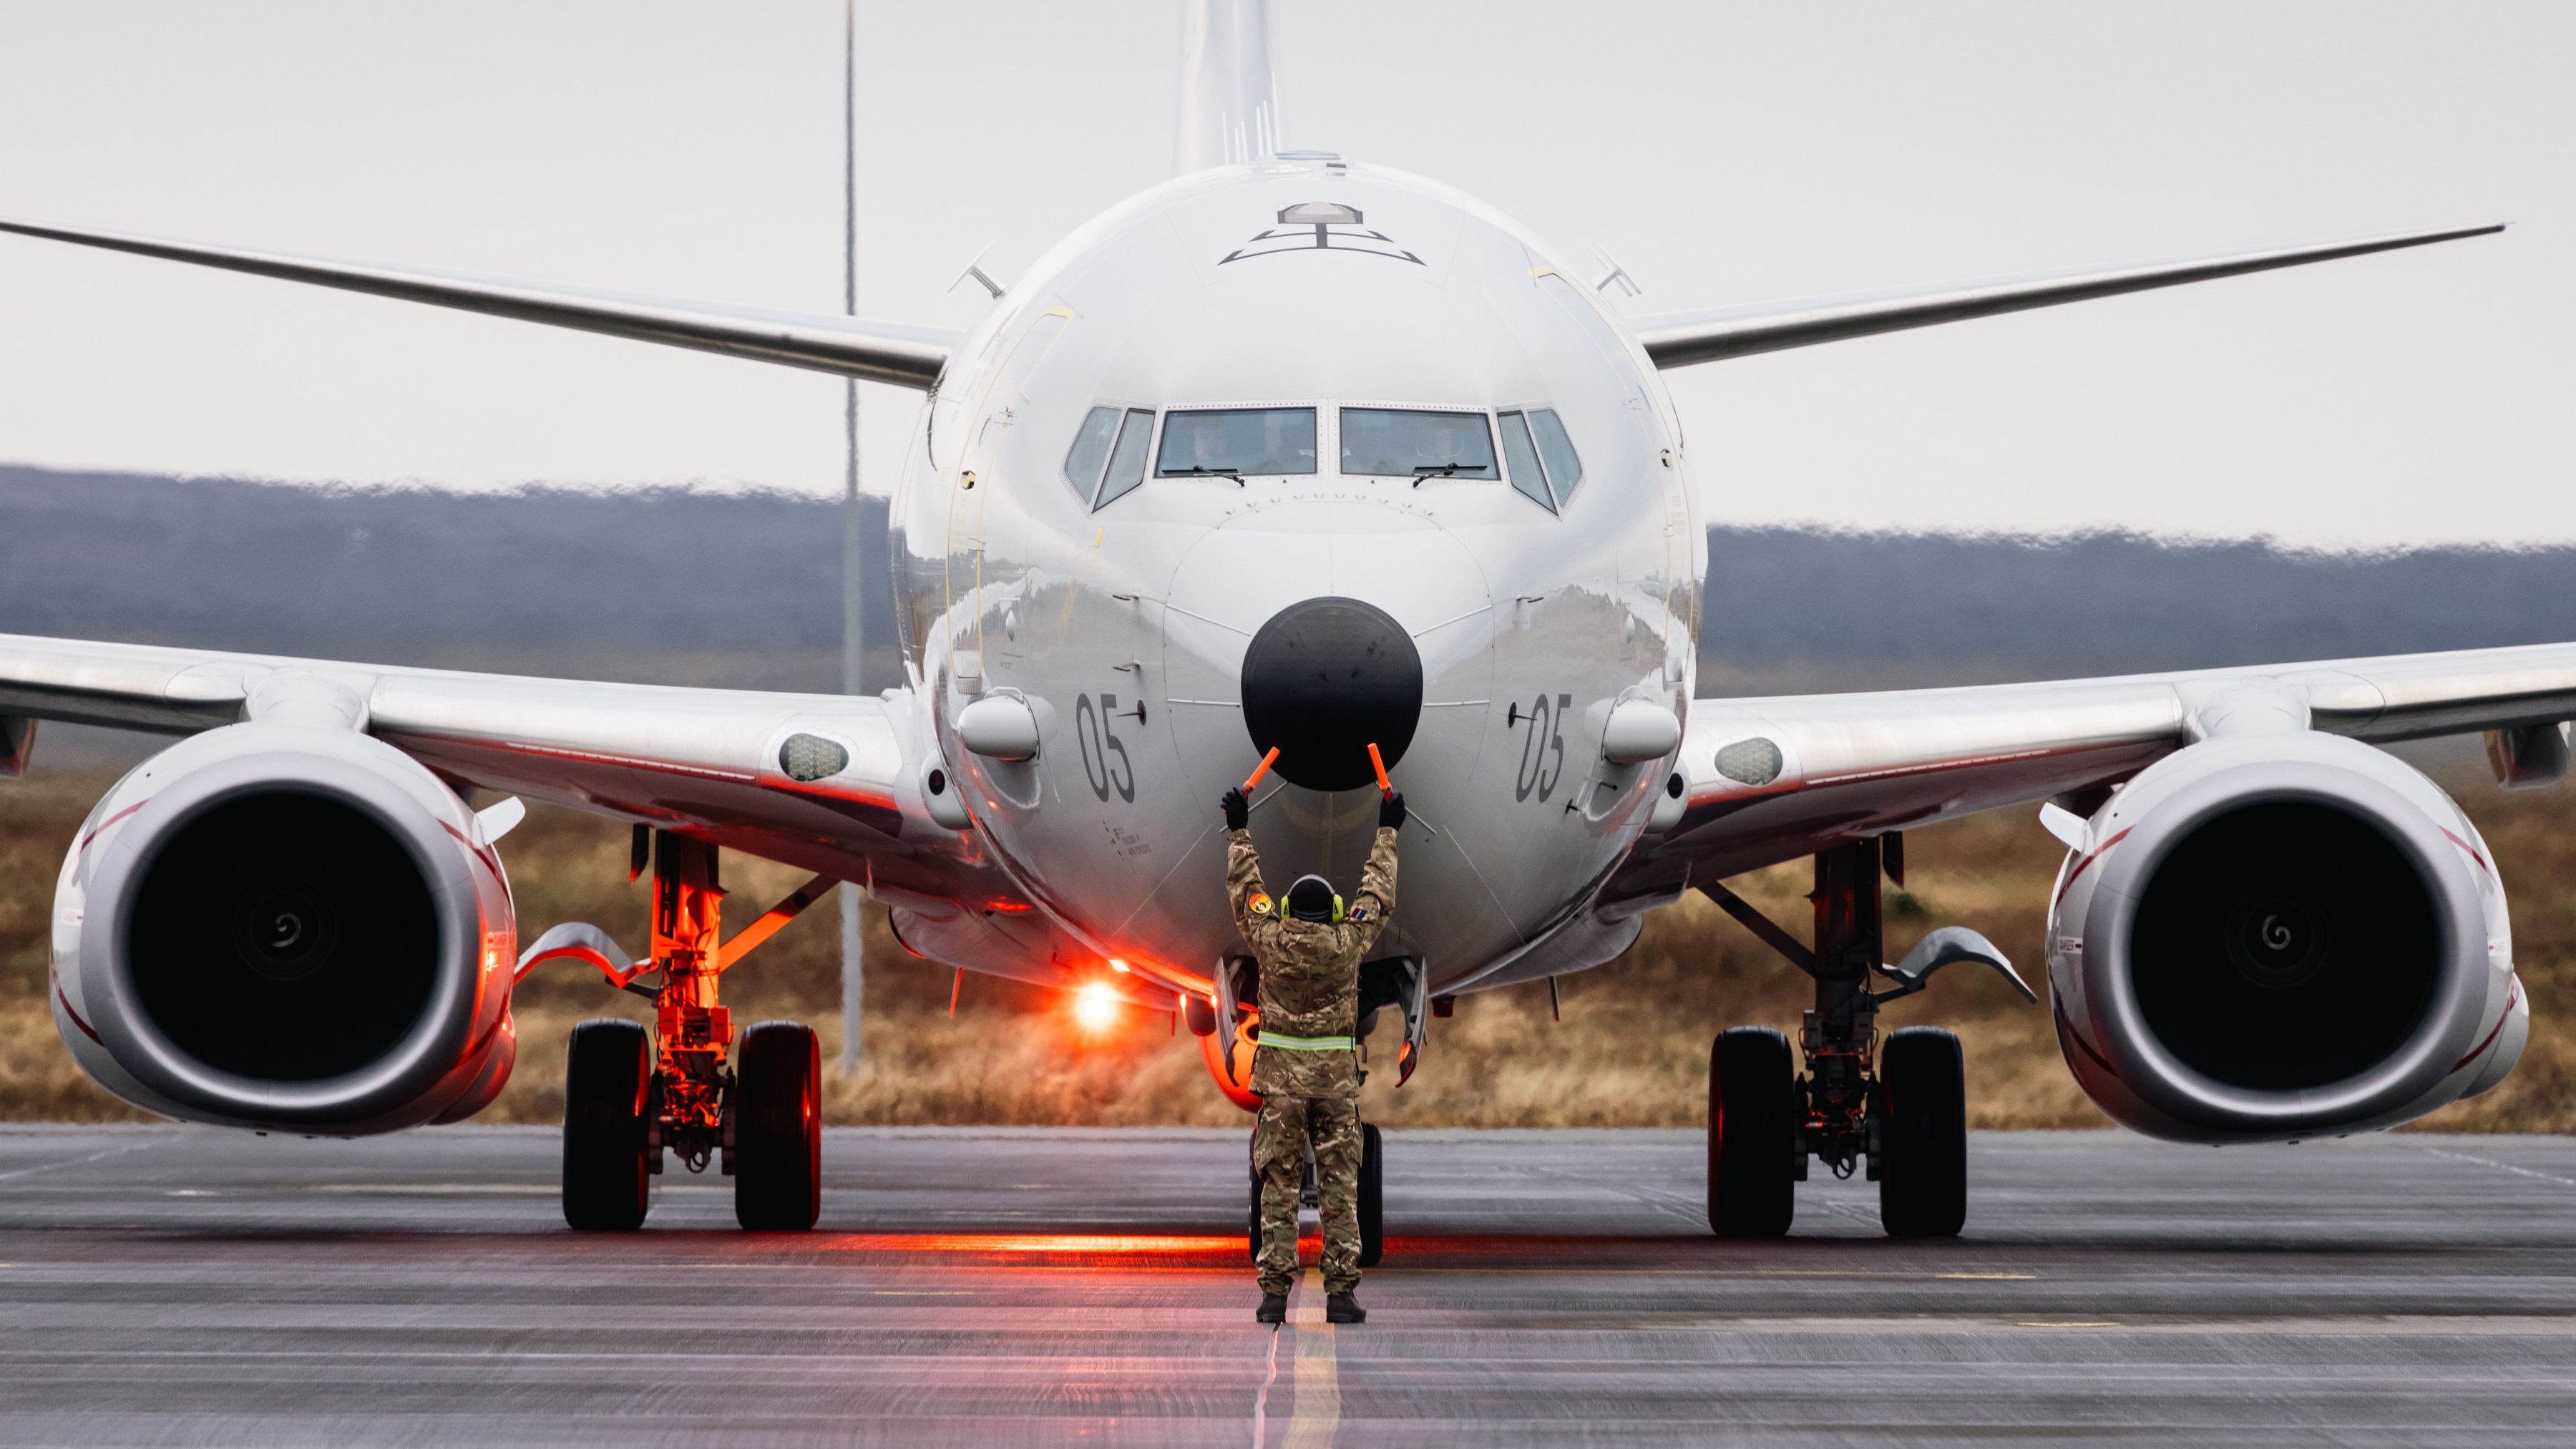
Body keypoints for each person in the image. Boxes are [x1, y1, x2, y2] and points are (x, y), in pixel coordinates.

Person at [1220, 780, 1402, 1326]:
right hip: (1334, 1086)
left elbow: (1245, 892)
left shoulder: (1270, 939)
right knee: (1340, 1189)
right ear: (1337, 911)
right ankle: (1340, 1295)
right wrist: (1388, 829)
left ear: (1285, 909)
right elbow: (1377, 896)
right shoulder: (1348, 943)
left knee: (1277, 1188)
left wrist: (1238, 828)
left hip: (1281, 1088)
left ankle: (1274, 1295)